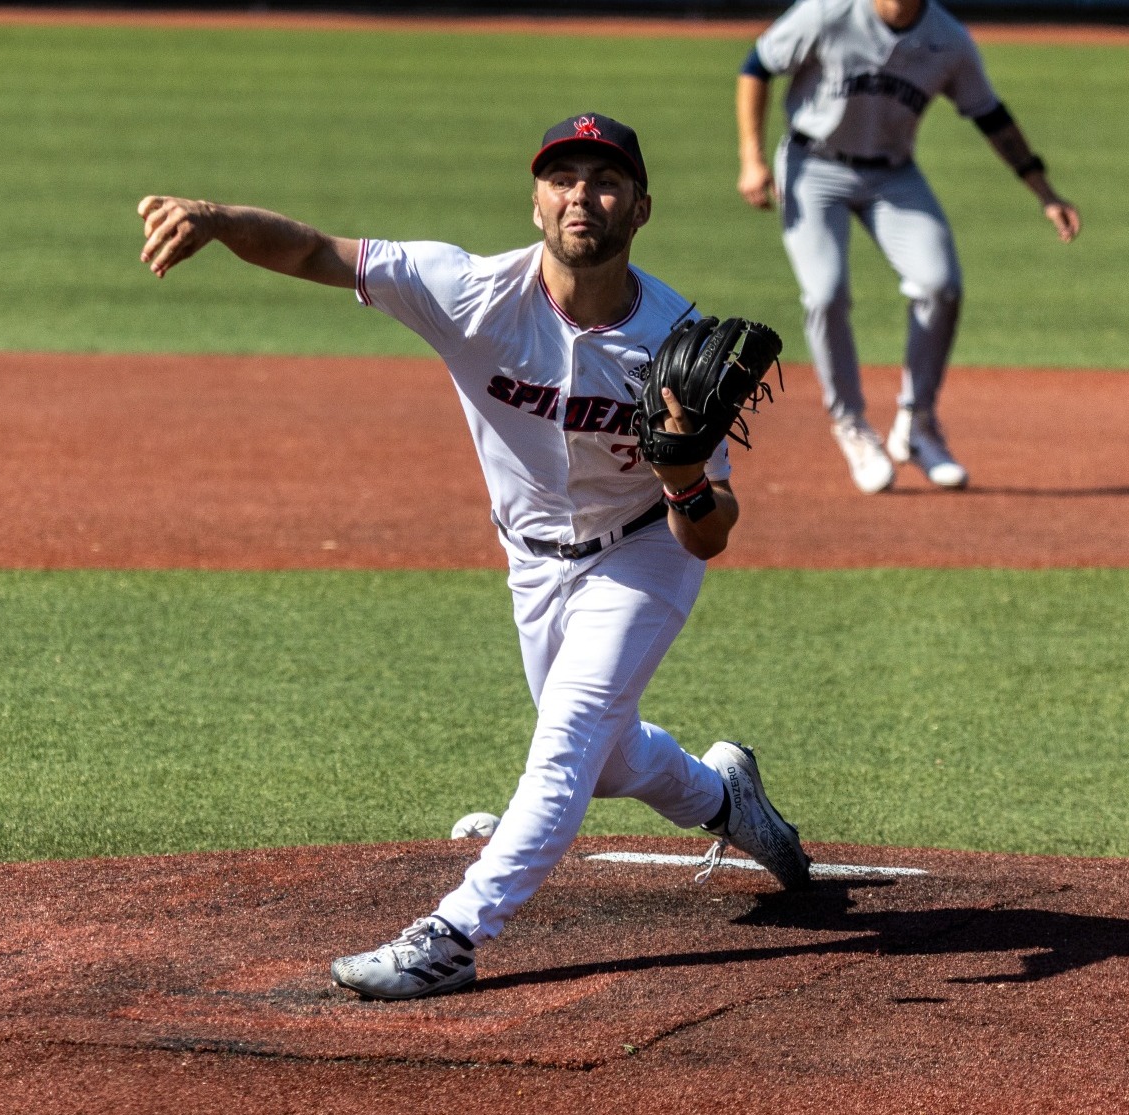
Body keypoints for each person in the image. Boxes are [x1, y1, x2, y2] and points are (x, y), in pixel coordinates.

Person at [138, 113, 812, 1002]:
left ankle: (455, 932)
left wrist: (684, 476)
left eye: (605, 180)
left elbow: (709, 531)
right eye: (563, 176)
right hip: (531, 561)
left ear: (641, 208)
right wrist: (218, 219)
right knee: (608, 761)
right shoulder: (468, 290)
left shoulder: (674, 339)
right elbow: (316, 254)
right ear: (535, 200)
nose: (583, 194)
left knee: (567, 738)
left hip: (645, 553)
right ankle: (727, 796)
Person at [737, 0, 1080, 492]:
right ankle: (851, 425)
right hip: (814, 167)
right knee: (825, 294)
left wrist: (1044, 192)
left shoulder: (948, 39)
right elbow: (757, 67)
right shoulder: (827, 13)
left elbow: (990, 114)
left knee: (941, 284)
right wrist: (751, 157)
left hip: (893, 174)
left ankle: (917, 424)